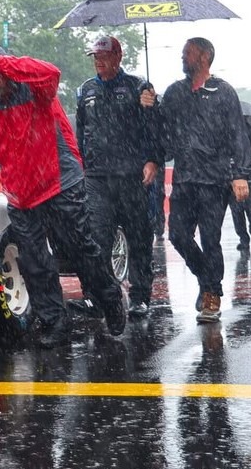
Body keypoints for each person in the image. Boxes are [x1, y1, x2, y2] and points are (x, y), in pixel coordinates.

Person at [0, 43, 126, 347]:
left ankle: (109, 298)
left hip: (59, 183)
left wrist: (2, 62)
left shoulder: (34, 87)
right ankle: (55, 322)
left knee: (81, 250)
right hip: (20, 193)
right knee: (34, 260)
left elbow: (51, 74)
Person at [141, 37, 250, 324]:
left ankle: (212, 295)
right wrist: (150, 108)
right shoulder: (175, 93)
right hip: (185, 178)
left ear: (204, 56)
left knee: (210, 239)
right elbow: (161, 132)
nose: (182, 55)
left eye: (187, 51)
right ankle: (208, 279)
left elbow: (238, 134)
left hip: (215, 181)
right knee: (177, 235)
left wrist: (239, 173)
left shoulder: (223, 92)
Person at [75, 36, 162, 318]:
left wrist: (152, 159)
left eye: (104, 55)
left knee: (139, 237)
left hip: (132, 177)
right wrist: (81, 165)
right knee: (96, 239)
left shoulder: (138, 87)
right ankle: (98, 297)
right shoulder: (85, 90)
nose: (98, 61)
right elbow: (80, 133)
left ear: (118, 56)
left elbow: (155, 130)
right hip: (97, 178)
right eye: (95, 56)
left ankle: (140, 296)